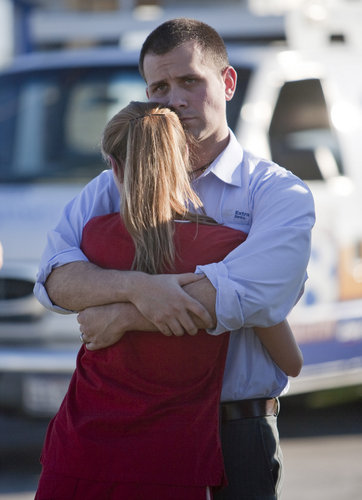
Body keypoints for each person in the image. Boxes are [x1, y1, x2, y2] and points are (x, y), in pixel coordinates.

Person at [34, 18, 315, 499]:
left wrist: (120, 314)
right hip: (123, 427)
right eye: (158, 86)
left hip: (235, 431)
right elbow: (55, 279)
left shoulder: (277, 191)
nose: (173, 99)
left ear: (227, 84)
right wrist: (138, 289)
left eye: (190, 81)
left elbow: (253, 295)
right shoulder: (108, 188)